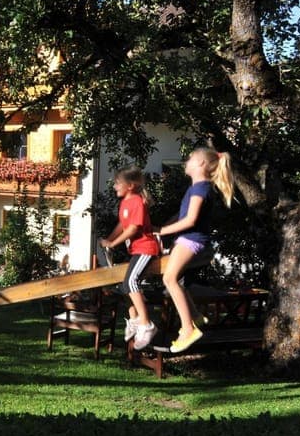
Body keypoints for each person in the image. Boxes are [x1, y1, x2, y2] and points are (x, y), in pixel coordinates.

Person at [157, 147, 235, 353]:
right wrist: (162, 226)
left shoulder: (201, 188)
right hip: (189, 240)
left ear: (201, 164)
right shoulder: (198, 188)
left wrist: (162, 231)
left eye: (190, 158)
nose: (186, 161)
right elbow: (182, 215)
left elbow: (190, 220)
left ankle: (187, 329)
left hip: (190, 240)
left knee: (169, 279)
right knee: (176, 282)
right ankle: (196, 316)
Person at [99, 166, 161, 350]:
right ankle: (135, 319)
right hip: (136, 250)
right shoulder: (125, 203)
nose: (114, 186)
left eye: (118, 183)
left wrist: (113, 244)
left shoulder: (137, 201)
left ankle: (147, 324)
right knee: (124, 285)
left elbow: (133, 228)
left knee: (132, 281)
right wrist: (110, 238)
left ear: (131, 185)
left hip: (146, 249)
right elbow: (122, 224)